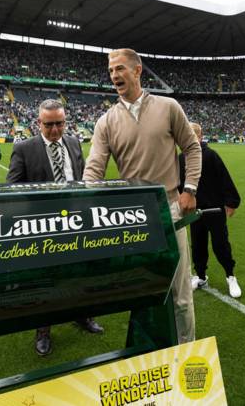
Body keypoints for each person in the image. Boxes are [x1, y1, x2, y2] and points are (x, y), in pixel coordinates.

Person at [83, 48, 201, 344]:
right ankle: (148, 354)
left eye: (120, 68)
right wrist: (85, 205)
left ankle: (185, 351)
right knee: (143, 290)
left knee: (181, 295)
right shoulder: (106, 121)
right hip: (134, 215)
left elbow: (192, 148)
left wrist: (190, 190)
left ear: (137, 71)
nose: (114, 75)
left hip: (171, 208)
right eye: (111, 71)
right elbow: (94, 169)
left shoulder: (168, 106)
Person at [7, 99, 104, 356]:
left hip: (76, 222)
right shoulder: (24, 149)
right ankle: (43, 330)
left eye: (59, 123)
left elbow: (82, 177)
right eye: (48, 124)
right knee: (46, 279)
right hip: (44, 228)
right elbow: (12, 188)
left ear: (65, 121)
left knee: (80, 272)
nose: (54, 130)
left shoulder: (73, 143)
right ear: (39, 123)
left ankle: (82, 315)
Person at [178, 123, 243, 298]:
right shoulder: (181, 158)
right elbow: (178, 184)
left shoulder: (211, 155)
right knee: (198, 245)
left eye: (193, 135)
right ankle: (200, 276)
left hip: (214, 210)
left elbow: (224, 178)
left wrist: (231, 202)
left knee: (221, 245)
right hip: (194, 211)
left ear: (200, 136)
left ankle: (230, 276)